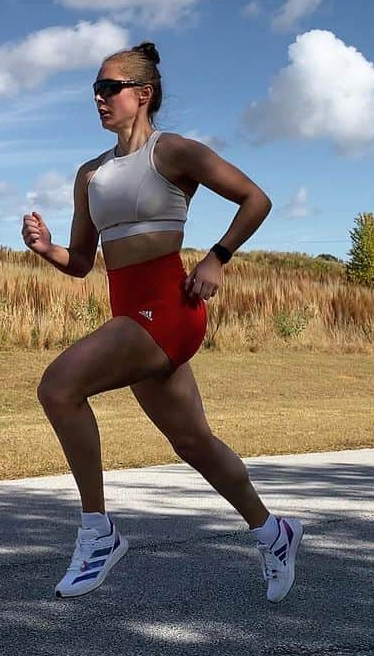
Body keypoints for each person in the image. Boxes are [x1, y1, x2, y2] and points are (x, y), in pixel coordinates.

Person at [21, 41, 303, 603]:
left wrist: (217, 257)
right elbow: (81, 264)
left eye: (110, 88)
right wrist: (47, 248)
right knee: (193, 440)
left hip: (169, 310)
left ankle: (97, 533)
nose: (99, 99)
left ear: (142, 94)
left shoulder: (172, 152)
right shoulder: (89, 175)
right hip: (130, 312)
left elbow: (255, 199)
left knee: (59, 386)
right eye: (95, 91)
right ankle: (274, 533)